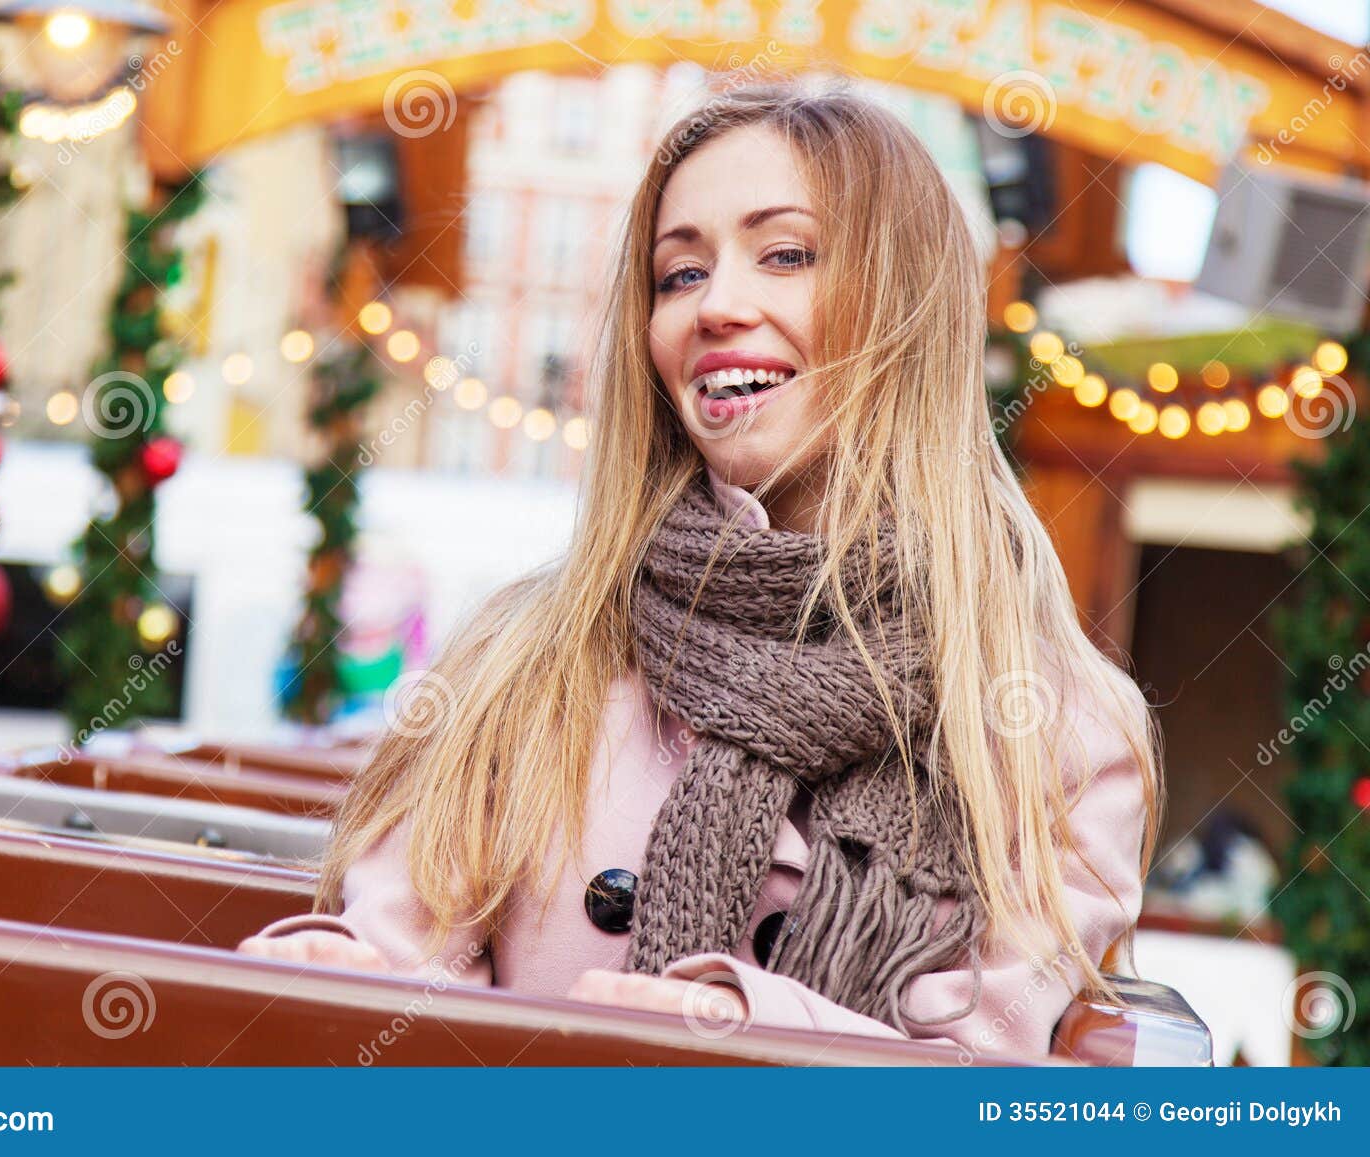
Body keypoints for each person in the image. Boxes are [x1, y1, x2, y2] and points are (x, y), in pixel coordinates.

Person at [238, 77, 1164, 1063]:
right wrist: (316, 991)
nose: (717, 305)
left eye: (786, 255)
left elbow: (974, 1078)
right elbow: (403, 975)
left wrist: (702, 1026)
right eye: (679, 274)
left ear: (908, 304)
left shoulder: (1050, 727)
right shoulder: (525, 658)